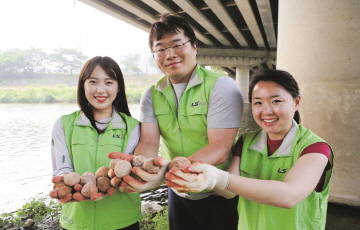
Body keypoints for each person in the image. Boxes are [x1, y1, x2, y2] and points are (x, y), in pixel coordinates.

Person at [109, 13, 244, 230]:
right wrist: (141, 166)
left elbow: (220, 147)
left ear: (194, 46)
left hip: (220, 192)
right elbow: (150, 142)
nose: (170, 54)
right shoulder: (152, 95)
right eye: (161, 49)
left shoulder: (222, 86)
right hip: (179, 193)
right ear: (154, 55)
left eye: (177, 45)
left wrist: (169, 173)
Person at [166, 69, 334, 230]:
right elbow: (228, 193)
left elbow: (289, 196)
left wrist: (217, 176)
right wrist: (201, 175)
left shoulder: (315, 148)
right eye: (258, 102)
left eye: (276, 101)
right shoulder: (246, 141)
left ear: (296, 102)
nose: (266, 111)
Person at [50, 56, 142, 230]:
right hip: (77, 221)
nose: (100, 90)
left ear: (118, 87)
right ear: (82, 85)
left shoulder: (133, 127)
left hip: (122, 220)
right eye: (93, 81)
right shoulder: (64, 124)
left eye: (109, 82)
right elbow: (62, 168)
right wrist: (65, 183)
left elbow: (130, 172)